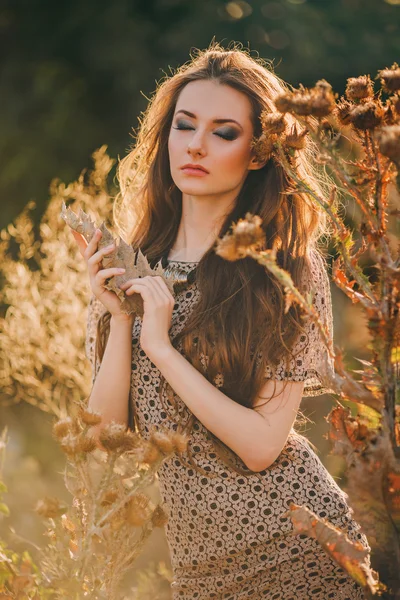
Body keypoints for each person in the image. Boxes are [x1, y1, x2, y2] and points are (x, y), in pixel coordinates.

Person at [71, 42, 371, 600]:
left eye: (223, 132)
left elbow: (262, 446)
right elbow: (103, 441)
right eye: (184, 126)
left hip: (298, 549)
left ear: (258, 153)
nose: (196, 145)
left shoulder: (283, 266)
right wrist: (116, 321)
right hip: (199, 568)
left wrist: (160, 347)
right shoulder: (128, 264)